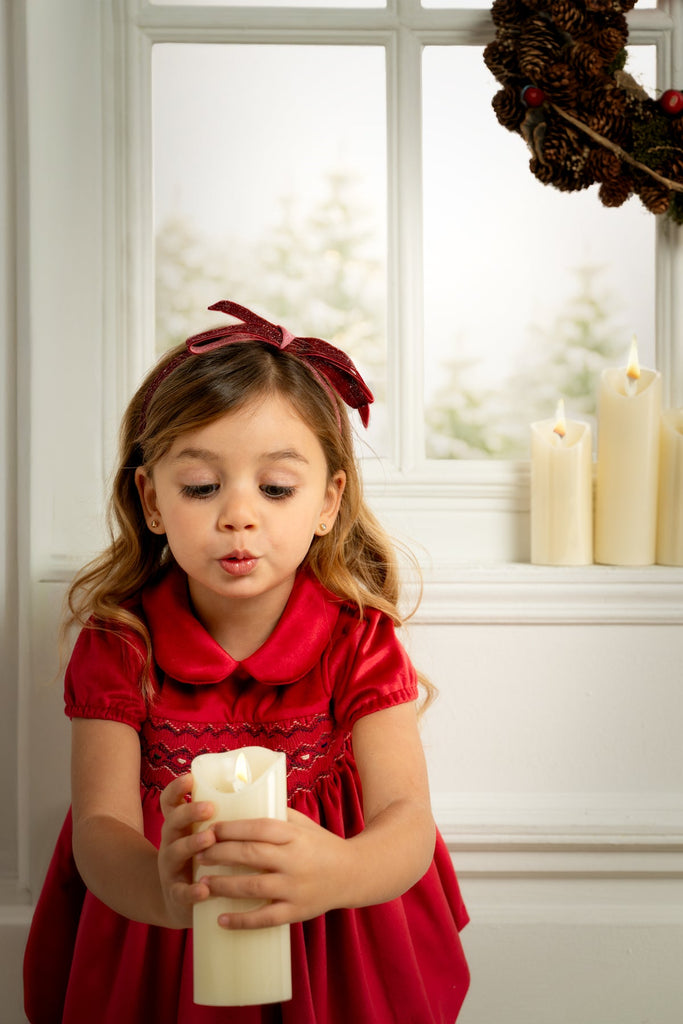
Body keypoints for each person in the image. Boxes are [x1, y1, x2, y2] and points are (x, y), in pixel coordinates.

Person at [24, 300, 470, 1024]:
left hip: (337, 941)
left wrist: (337, 873)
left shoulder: (357, 639)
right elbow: (99, 829)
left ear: (328, 501)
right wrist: (159, 891)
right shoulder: (120, 642)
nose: (239, 515)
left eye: (275, 488)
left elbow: (405, 822)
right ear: (153, 500)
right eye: (202, 487)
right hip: (159, 942)